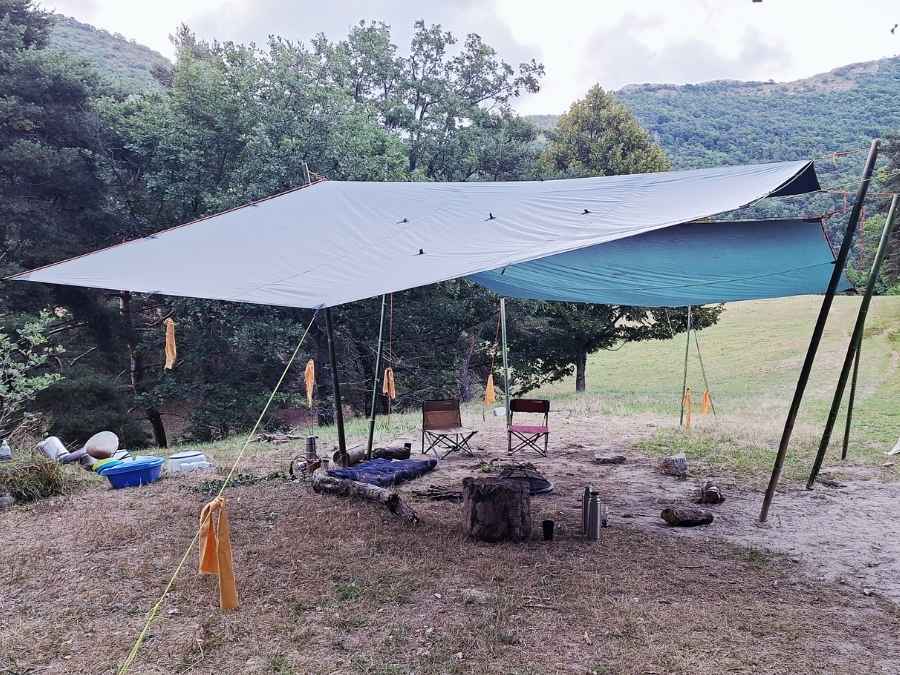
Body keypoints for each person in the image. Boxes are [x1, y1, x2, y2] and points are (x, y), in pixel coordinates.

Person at [37, 432, 131, 473]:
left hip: (96, 461)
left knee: (50, 440)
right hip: (69, 459)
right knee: (49, 441)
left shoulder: (119, 455)